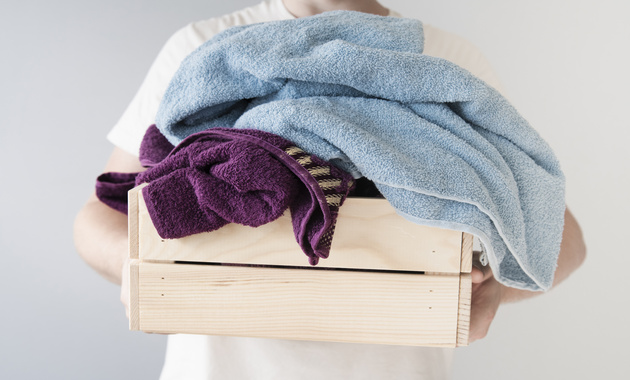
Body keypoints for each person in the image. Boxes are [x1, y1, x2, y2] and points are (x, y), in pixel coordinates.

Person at [74, 0, 586, 378]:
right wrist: (142, 270)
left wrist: (492, 288)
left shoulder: (446, 62)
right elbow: (101, 217)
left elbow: (563, 240)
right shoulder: (203, 53)